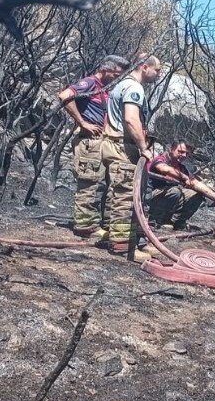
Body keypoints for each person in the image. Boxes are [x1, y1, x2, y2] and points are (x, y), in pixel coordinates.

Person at [58, 55, 130, 237]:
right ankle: (84, 227)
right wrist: (82, 123)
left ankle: (99, 224)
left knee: (104, 183)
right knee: (89, 183)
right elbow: (65, 96)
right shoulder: (89, 83)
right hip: (89, 142)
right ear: (105, 69)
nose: (117, 77)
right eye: (116, 73)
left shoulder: (103, 89)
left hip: (101, 142)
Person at [104, 53, 163, 255]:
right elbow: (130, 119)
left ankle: (134, 241)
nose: (159, 73)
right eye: (157, 69)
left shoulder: (122, 85)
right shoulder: (134, 88)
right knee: (125, 197)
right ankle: (121, 247)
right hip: (125, 147)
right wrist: (143, 147)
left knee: (129, 195)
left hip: (116, 145)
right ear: (144, 67)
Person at [148, 139, 215, 230]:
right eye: (181, 152)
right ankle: (155, 220)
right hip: (149, 197)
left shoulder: (181, 168)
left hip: (169, 198)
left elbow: (196, 183)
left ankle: (177, 222)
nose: (184, 155)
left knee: (197, 194)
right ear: (171, 149)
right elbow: (165, 169)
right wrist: (184, 177)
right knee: (175, 191)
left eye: (186, 153)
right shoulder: (161, 159)